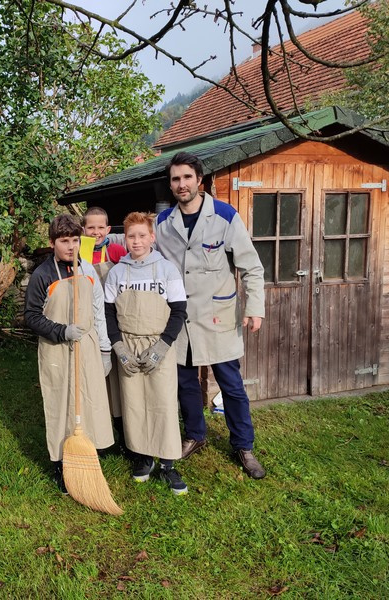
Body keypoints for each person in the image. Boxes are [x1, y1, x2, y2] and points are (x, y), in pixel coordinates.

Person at [155, 152, 267, 479]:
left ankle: (244, 446)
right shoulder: (162, 223)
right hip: (180, 319)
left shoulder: (224, 216)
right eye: (176, 179)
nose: (182, 184)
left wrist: (255, 308)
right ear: (171, 185)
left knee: (231, 384)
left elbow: (251, 267)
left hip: (218, 315)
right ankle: (195, 434)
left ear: (199, 180)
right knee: (185, 383)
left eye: (187, 177)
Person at [23, 214, 114, 493]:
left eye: (75, 240)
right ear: (52, 243)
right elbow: (31, 317)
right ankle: (61, 463)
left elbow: (98, 310)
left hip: (87, 346)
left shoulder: (87, 270)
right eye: (64, 241)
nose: (71, 246)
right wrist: (62, 331)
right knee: (61, 404)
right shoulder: (43, 275)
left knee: (88, 401)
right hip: (57, 348)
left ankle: (87, 452)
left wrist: (104, 348)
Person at [104, 212, 188, 494]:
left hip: (158, 345)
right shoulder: (118, 273)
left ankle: (168, 463)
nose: (136, 241)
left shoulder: (167, 270)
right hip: (128, 345)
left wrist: (162, 347)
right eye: (131, 236)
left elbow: (179, 311)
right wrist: (119, 348)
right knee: (134, 404)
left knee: (162, 402)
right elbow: (108, 313)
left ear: (152, 237)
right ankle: (143, 457)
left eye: (142, 235)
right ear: (124, 239)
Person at [81, 206, 128, 454]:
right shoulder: (80, 252)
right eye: (91, 227)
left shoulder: (117, 251)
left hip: (113, 320)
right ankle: (96, 432)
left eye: (101, 227)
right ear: (83, 230)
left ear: (108, 229)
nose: (96, 232)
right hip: (88, 323)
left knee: (116, 383)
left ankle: (121, 431)